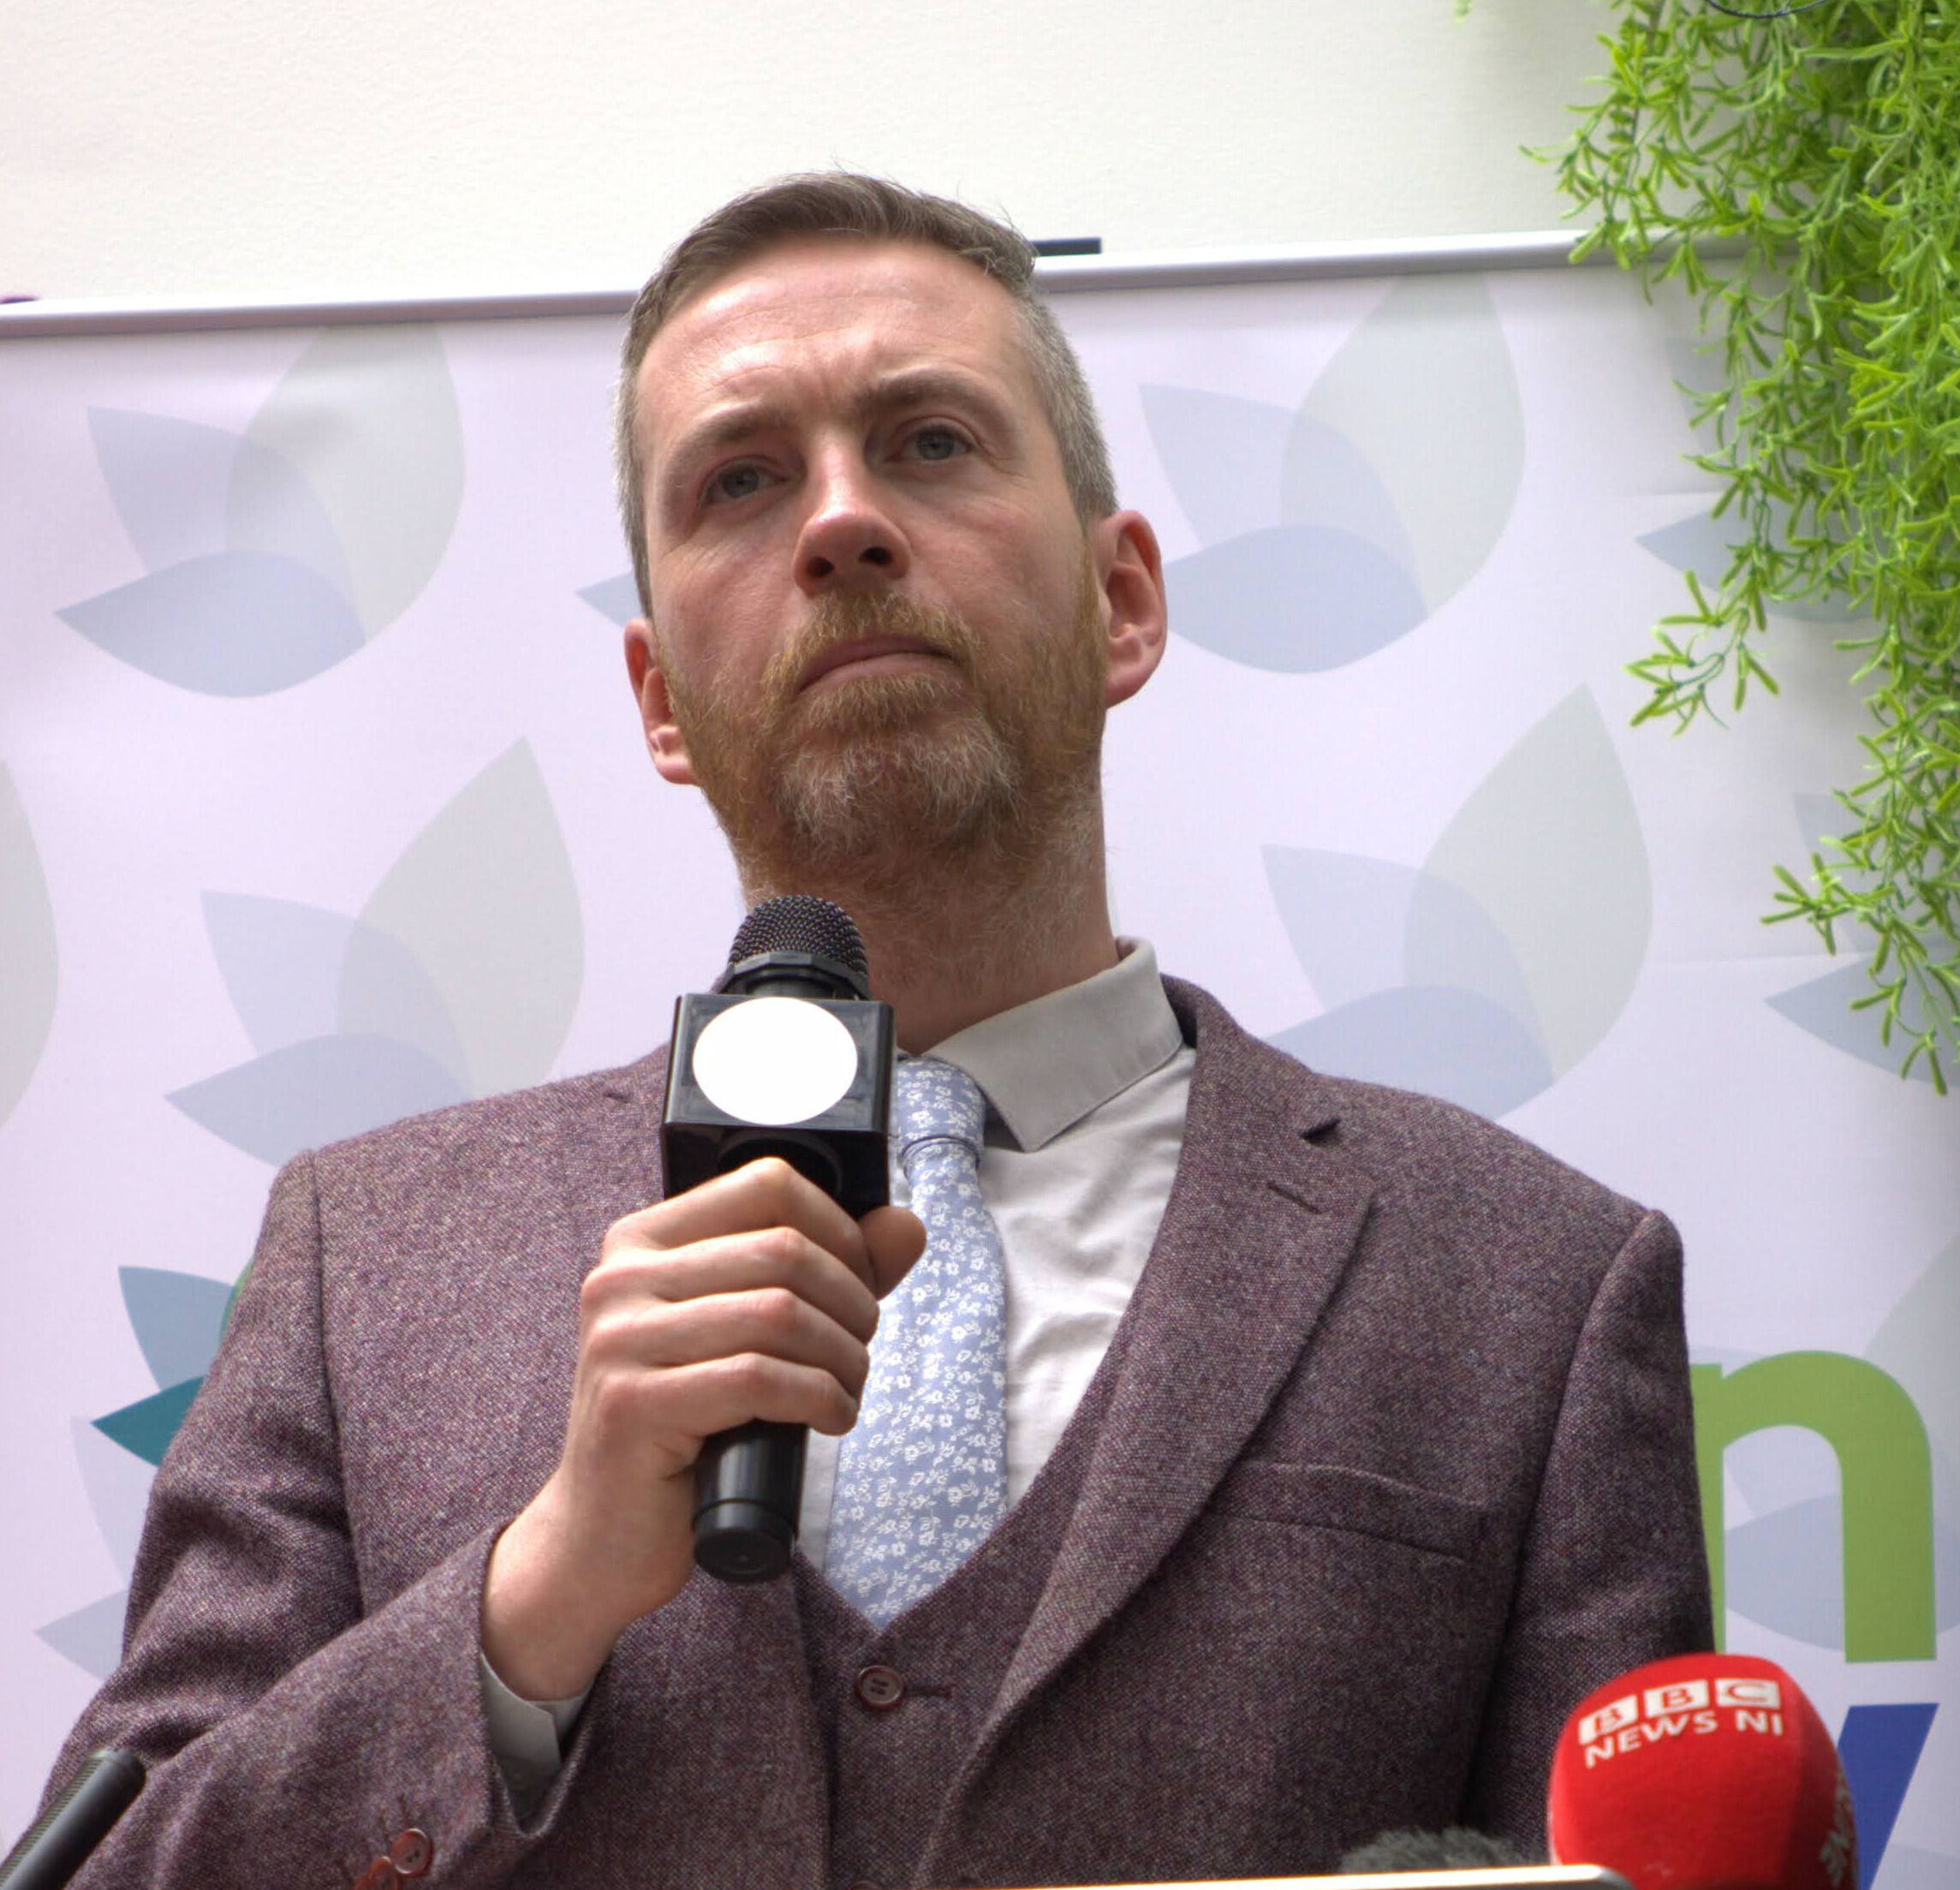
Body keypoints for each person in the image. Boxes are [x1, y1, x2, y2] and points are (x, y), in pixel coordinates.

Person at [37, 174, 1711, 1890]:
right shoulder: (367, 1263)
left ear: (1123, 600)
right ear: (659, 702)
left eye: (930, 442)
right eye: (740, 480)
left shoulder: (1531, 1287)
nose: (841, 522)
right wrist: (530, 1601)